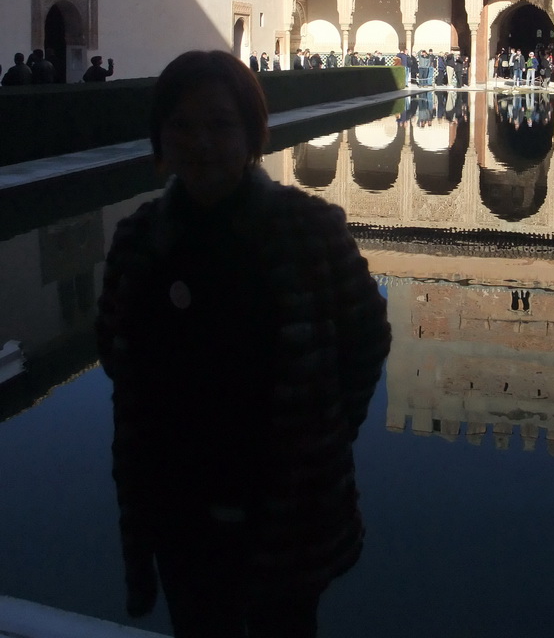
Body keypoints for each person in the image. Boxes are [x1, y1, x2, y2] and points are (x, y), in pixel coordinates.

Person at [95, 50, 390, 638]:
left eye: (220, 124)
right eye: (181, 125)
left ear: (253, 133)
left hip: (284, 508)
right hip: (180, 508)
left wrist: (322, 432)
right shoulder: (137, 243)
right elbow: (117, 356)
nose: (200, 142)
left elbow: (366, 340)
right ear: (160, 137)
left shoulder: (311, 232)